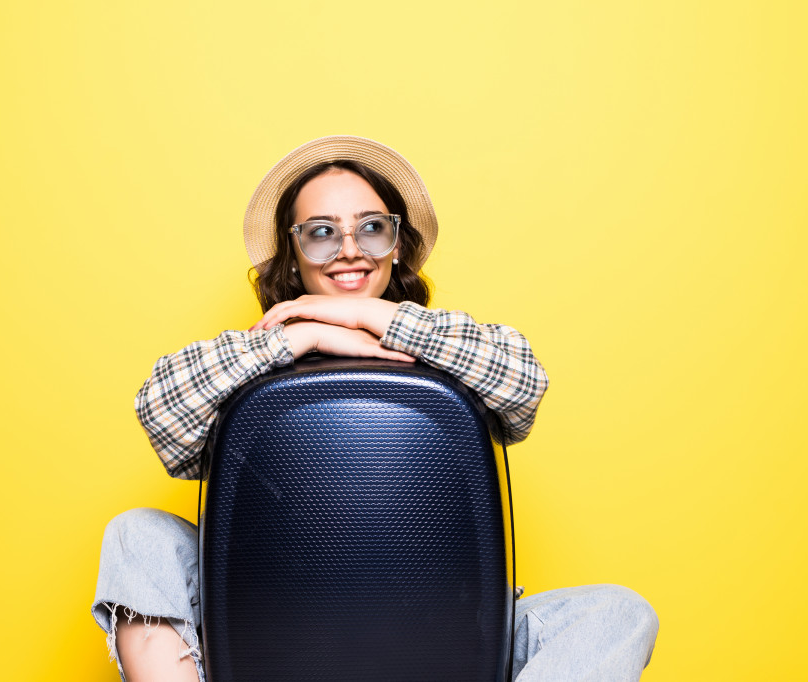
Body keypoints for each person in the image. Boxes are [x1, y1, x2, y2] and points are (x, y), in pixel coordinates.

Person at [92, 136, 659, 681]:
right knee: (135, 533)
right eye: (320, 233)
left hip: (447, 621)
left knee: (616, 613)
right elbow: (161, 411)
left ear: (397, 242)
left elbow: (524, 381)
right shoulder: (250, 355)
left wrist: (373, 318)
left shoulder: (445, 346)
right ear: (292, 253)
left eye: (371, 228)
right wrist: (299, 336)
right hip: (265, 617)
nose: (348, 250)